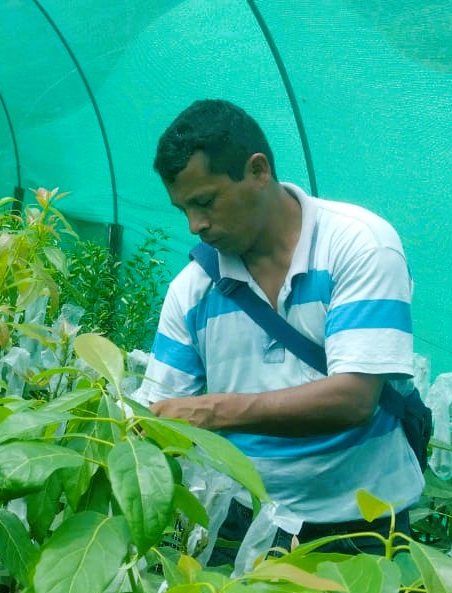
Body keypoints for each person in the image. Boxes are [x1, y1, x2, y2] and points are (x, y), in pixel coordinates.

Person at [134, 99, 423, 563]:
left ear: (258, 170)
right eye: (183, 209)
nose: (196, 225)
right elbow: (157, 414)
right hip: (243, 520)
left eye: (205, 202)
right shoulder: (192, 290)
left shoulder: (359, 246)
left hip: (361, 528)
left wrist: (212, 412)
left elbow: (353, 399)